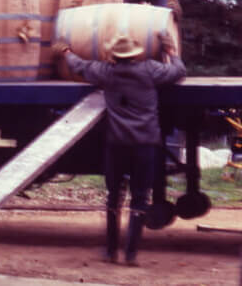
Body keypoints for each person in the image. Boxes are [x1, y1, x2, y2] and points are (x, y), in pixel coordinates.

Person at [52, 33, 186, 266]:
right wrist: (171, 52)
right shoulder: (150, 70)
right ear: (135, 54)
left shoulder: (105, 72)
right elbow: (178, 72)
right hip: (145, 144)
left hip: (117, 144)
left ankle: (110, 251)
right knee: (140, 198)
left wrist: (65, 51)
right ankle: (131, 254)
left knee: (114, 197)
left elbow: (79, 66)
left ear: (114, 55)